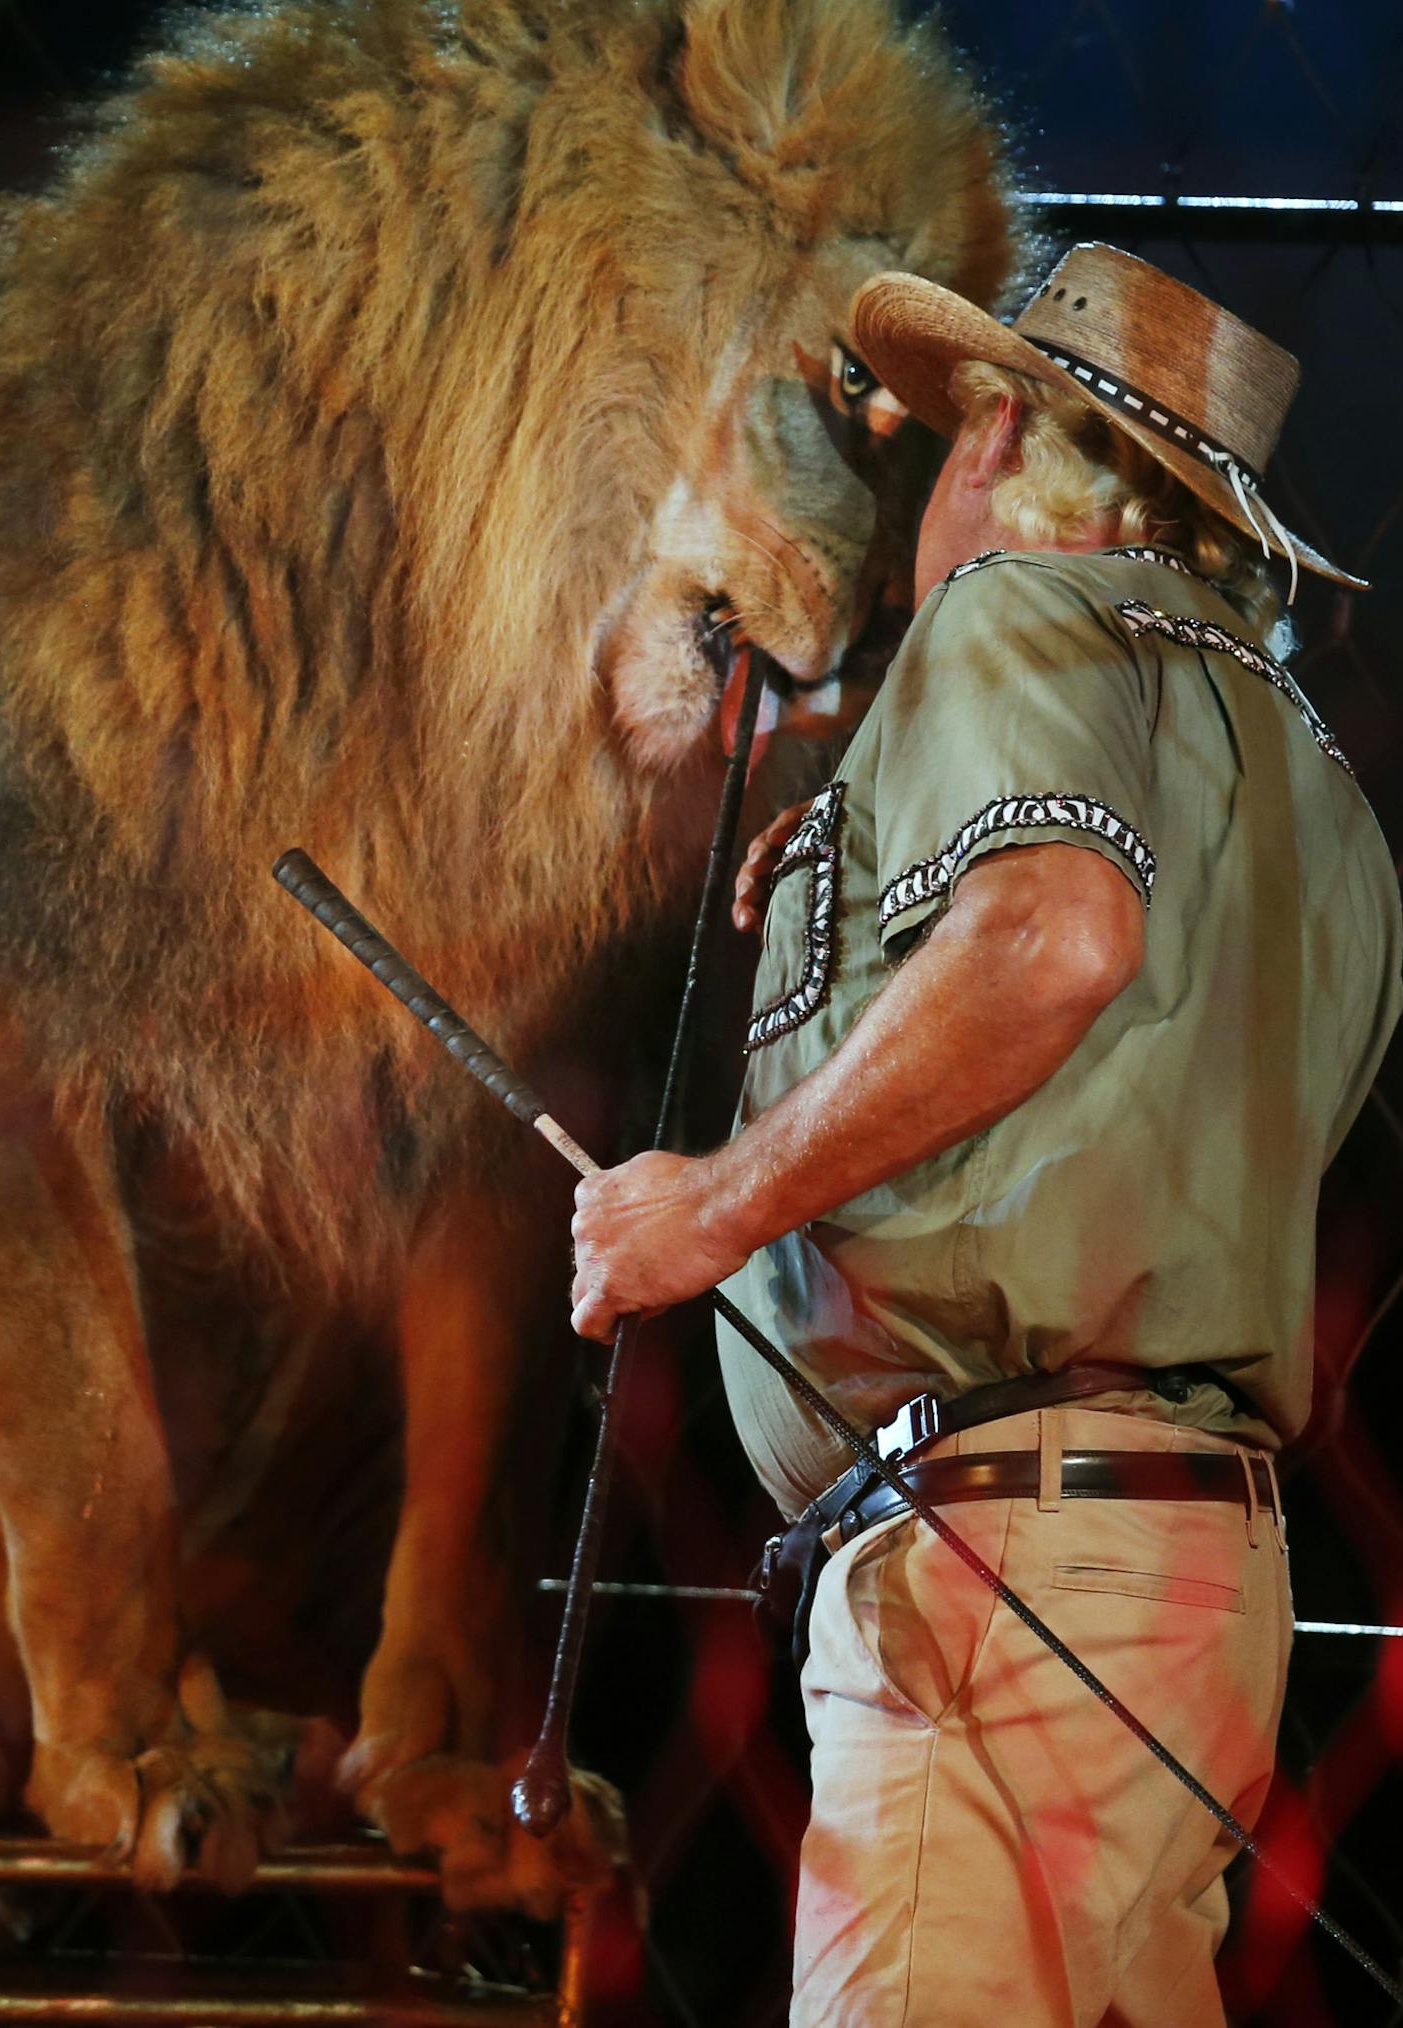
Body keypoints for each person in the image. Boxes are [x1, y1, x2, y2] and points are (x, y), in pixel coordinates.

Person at [568, 243, 1403, 2026]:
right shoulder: (1318, 783)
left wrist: (712, 1206)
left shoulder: (1010, 617)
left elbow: (1055, 936)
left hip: (1001, 1572)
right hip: (1191, 1584)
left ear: (1003, 430)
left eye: (944, 433)